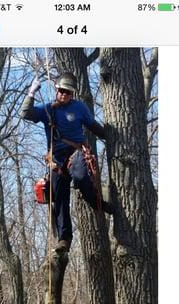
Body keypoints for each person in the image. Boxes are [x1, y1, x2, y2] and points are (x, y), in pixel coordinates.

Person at [20, 72, 113, 252]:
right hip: (56, 160)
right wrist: (31, 93)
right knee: (59, 198)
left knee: (79, 176)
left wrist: (111, 137)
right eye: (61, 91)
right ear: (56, 90)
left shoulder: (79, 108)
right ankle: (64, 239)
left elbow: (94, 127)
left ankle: (99, 202)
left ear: (72, 94)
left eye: (67, 92)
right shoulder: (48, 109)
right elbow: (25, 113)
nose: (64, 94)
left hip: (76, 152)